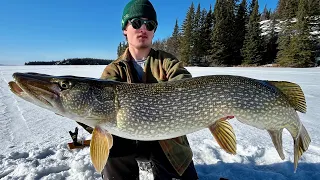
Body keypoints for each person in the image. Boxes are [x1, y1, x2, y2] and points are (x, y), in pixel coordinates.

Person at [77, 0, 199, 179]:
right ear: (125, 29)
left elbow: (186, 86)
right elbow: (99, 111)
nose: (143, 28)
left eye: (149, 24)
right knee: (113, 143)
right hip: (126, 141)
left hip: (167, 140)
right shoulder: (114, 70)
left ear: (153, 31)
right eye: (136, 23)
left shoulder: (167, 62)